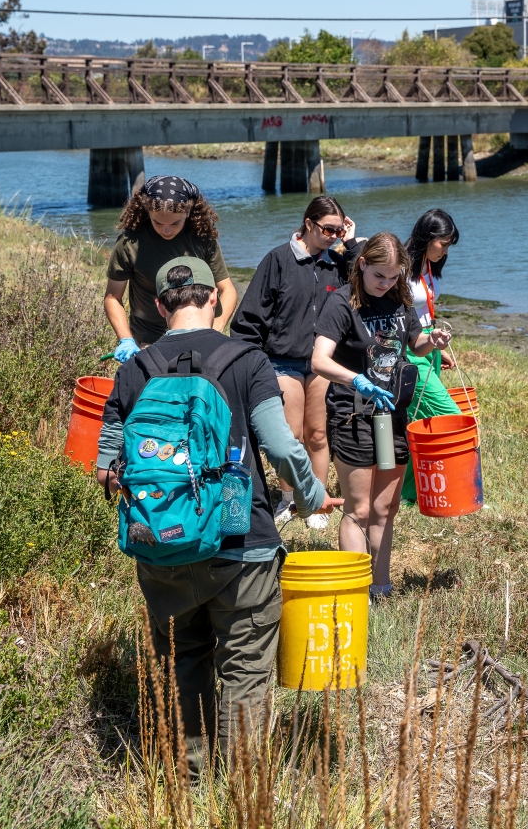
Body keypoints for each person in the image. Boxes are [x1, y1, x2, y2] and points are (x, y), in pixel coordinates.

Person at [95, 256, 342, 776]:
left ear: (161, 307)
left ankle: (191, 771)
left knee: (183, 656)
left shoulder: (132, 370)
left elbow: (106, 473)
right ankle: (241, 786)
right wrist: (310, 493)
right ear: (215, 300)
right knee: (246, 666)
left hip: (160, 541)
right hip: (242, 542)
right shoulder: (246, 361)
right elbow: (279, 443)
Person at [310, 232, 452, 600]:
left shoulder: (399, 297)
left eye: (393, 277)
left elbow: (414, 342)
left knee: (385, 506)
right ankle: (355, 591)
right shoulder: (342, 304)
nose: (386, 284)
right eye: (379, 277)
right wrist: (356, 379)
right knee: (357, 508)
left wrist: (431, 340)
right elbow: (319, 360)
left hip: (390, 417)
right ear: (362, 265)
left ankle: (381, 586)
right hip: (353, 416)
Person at [231, 196, 365, 528]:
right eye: (328, 229)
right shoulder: (277, 260)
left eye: (339, 230)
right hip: (281, 361)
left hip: (321, 362)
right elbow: (249, 320)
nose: (333, 236)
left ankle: (316, 501)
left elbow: (361, 284)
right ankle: (291, 500)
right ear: (308, 224)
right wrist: (247, 363)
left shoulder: (335, 262)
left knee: (318, 434)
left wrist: (351, 245)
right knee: (290, 436)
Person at [104, 176, 238, 360]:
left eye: (175, 223)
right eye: (158, 223)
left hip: (198, 337)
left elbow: (227, 290)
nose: (166, 231)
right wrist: (126, 339)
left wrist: (215, 330)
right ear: (147, 212)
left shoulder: (201, 238)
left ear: (188, 213)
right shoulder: (130, 243)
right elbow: (112, 297)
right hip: (149, 340)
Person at [400, 209, 465, 504]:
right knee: (450, 416)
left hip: (430, 347)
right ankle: (450, 487)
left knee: (420, 421)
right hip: (410, 350)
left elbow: (425, 310)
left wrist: (439, 352)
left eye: (449, 245)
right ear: (426, 238)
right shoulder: (401, 266)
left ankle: (411, 494)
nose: (445, 250)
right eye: (443, 243)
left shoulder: (428, 266)